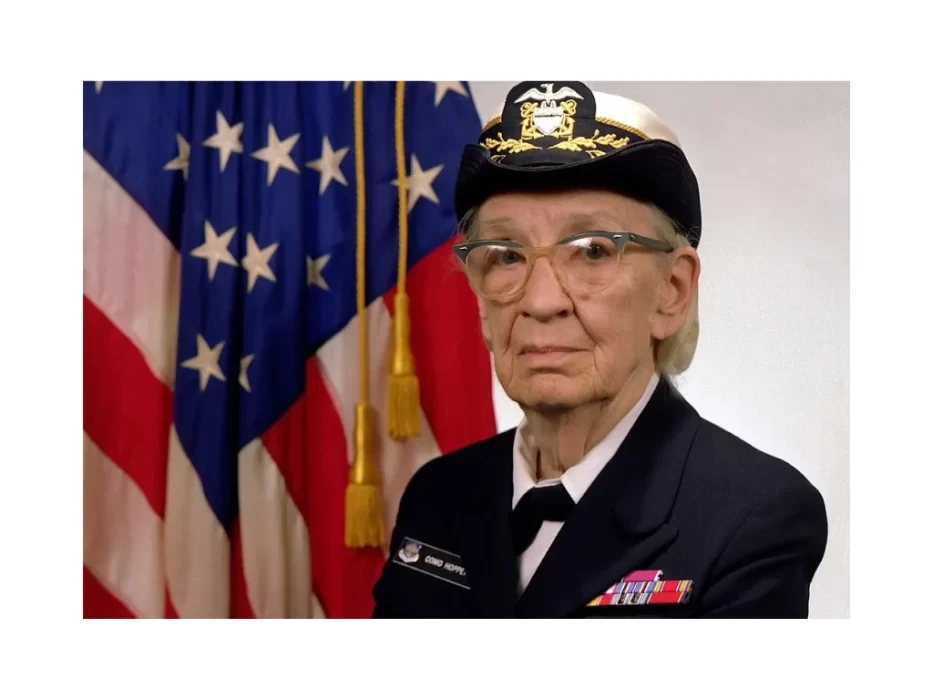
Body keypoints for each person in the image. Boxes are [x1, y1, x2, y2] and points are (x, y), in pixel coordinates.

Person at [372, 80, 828, 618]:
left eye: (592, 251)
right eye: (506, 255)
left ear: (672, 291)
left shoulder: (752, 515)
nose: (541, 302)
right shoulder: (438, 495)